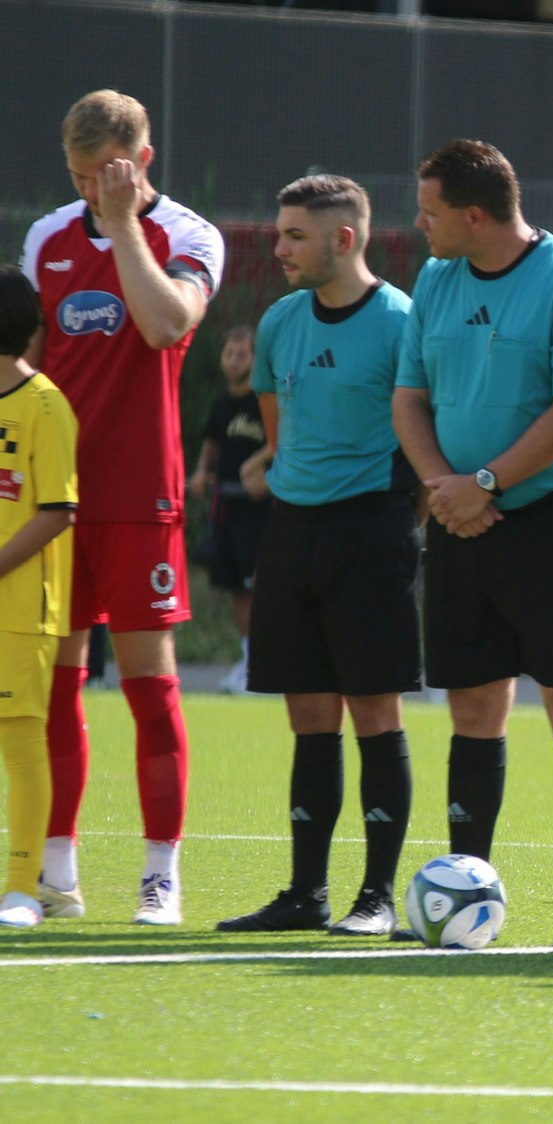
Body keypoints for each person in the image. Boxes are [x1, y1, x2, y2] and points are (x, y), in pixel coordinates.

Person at [392, 139, 553, 946]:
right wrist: (447, 489)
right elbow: (409, 399)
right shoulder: (434, 280)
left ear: (474, 214)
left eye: (429, 211)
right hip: (461, 523)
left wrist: (482, 483)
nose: (418, 224)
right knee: (473, 708)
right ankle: (463, 895)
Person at [22, 89, 225, 926]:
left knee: (148, 684)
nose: (84, 193)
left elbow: (162, 323)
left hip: (142, 492)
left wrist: (124, 226)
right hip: (55, 501)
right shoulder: (46, 237)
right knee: (55, 684)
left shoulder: (188, 236)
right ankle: (54, 871)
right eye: (73, 177)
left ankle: (159, 875)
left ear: (140, 162)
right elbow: (27, 363)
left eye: (97, 175)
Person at [214, 175, 418, 937]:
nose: (280, 247)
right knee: (308, 716)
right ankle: (306, 893)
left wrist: (397, 519)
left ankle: (377, 897)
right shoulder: (278, 321)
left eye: (296, 234)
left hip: (371, 531)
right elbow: (279, 425)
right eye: (280, 232)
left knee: (375, 711)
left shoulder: (403, 321)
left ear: (346, 238)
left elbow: (419, 433)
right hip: (292, 532)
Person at [0, 264, 80, 930]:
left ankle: (23, 888)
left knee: (21, 745)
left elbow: (57, 509)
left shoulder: (45, 404)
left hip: (22, 610)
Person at [188, 325, 270, 694]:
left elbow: (281, 443)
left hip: (261, 511)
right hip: (228, 511)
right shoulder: (222, 405)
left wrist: (260, 472)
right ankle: (251, 659)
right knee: (237, 586)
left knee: (263, 585)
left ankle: (270, 663)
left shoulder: (265, 401)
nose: (234, 361)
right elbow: (211, 443)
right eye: (229, 354)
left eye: (242, 354)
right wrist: (202, 472)